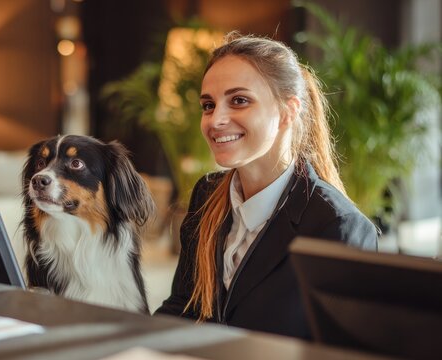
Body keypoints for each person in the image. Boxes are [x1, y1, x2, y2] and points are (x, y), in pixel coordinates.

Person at [155, 31, 379, 340]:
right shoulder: (206, 194)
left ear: (288, 111)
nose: (215, 120)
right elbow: (184, 307)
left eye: (239, 101)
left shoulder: (339, 227)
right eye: (208, 105)